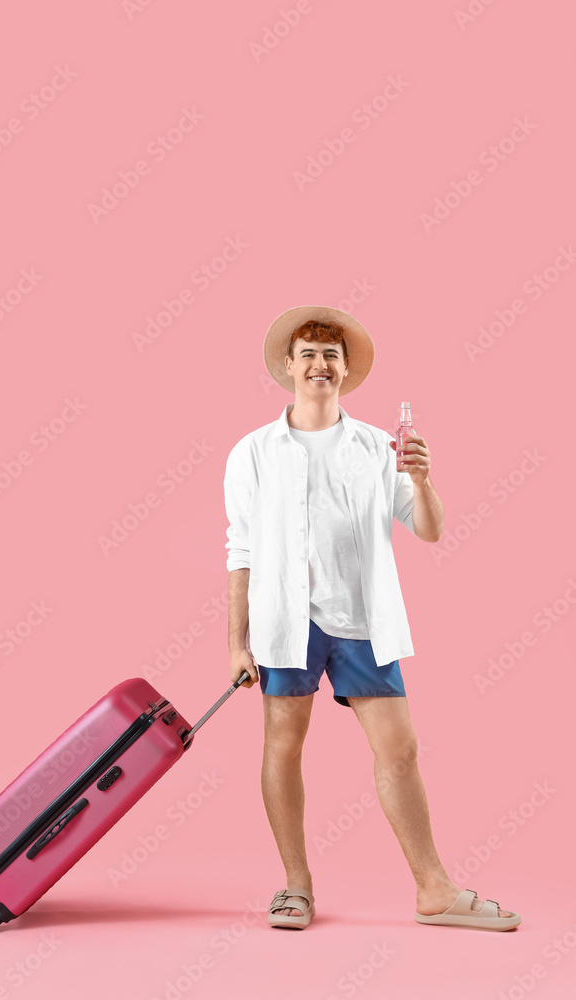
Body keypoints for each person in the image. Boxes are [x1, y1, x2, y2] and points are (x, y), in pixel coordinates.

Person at [223, 305, 521, 932]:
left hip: (361, 620)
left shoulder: (375, 449)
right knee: (283, 745)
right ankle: (295, 888)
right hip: (285, 622)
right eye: (307, 353)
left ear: (346, 369)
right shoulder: (253, 453)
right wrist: (236, 643)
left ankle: (434, 891)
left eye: (330, 355)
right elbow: (240, 550)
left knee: (400, 750)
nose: (319, 364)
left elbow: (429, 529)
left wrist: (424, 478)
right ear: (287, 365)